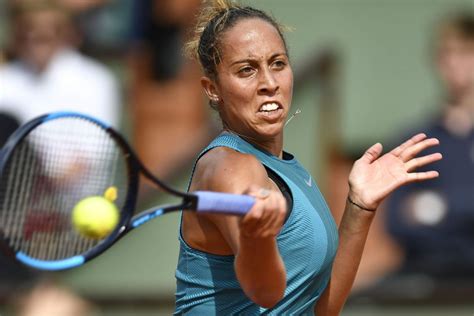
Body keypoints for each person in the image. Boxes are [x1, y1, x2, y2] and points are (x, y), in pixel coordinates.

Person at [174, 1, 442, 314]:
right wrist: (257, 238)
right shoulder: (228, 167)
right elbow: (266, 293)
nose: (269, 83)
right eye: (246, 70)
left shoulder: (289, 168)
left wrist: (360, 207)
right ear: (213, 89)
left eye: (277, 64)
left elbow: (321, 309)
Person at [384, 11, 474, 282]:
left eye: (465, 52)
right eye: (446, 53)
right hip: (428, 278)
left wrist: (439, 206)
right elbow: (397, 223)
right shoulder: (416, 139)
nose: (454, 63)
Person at [0, 0, 120, 127]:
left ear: (67, 33)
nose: (35, 39)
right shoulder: (5, 78)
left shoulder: (97, 79)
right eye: (27, 31)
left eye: (45, 36)